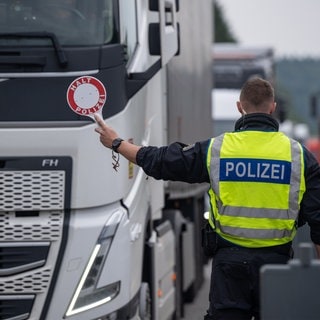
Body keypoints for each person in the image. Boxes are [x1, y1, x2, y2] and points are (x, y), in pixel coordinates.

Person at [94, 77, 320, 320]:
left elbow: (163, 162)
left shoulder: (217, 150)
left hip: (229, 267)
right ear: (273, 107)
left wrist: (117, 144)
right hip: (278, 265)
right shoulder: (299, 156)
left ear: (239, 107)